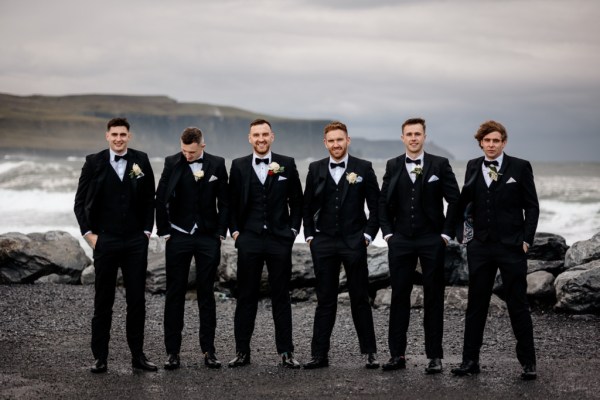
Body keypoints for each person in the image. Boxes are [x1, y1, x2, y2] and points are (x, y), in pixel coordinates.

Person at [451, 120, 539, 380]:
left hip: (512, 246)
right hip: (480, 246)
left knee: (518, 303)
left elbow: (531, 206)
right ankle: (470, 361)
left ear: (504, 142)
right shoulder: (472, 166)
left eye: (495, 141)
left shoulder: (520, 167)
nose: (491, 145)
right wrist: (462, 234)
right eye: (486, 141)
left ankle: (528, 362)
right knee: (476, 304)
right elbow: (464, 202)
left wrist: (526, 240)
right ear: (481, 143)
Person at [74, 117, 157, 373]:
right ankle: (100, 357)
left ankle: (138, 357)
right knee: (103, 301)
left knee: (137, 301)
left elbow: (148, 199)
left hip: (135, 241)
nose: (119, 139)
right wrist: (89, 234)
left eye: (123, 134)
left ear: (129, 136)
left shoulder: (141, 160)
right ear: (107, 136)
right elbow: (80, 202)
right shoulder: (93, 162)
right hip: (105, 240)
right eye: (115, 134)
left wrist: (145, 232)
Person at [378, 118, 460, 373]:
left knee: (434, 298)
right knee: (399, 297)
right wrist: (389, 234)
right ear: (402, 137)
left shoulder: (440, 164)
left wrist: (446, 235)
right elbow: (382, 203)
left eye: (417, 134)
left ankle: (435, 357)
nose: (413, 138)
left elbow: (455, 201)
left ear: (424, 136)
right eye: (409, 134)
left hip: (431, 239)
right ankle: (397, 355)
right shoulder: (393, 165)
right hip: (400, 240)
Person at [302, 121, 380, 369]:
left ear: (348, 140)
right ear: (325, 143)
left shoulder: (363, 168)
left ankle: (369, 352)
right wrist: (310, 236)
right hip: (323, 241)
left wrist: (367, 236)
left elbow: (376, 207)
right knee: (325, 299)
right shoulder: (315, 169)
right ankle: (319, 355)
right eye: (331, 141)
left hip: (353, 241)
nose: (336, 144)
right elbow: (306, 206)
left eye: (340, 139)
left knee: (360, 297)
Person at [227, 118, 303, 368]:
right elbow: (231, 203)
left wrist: (292, 231)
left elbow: (297, 202)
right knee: (246, 296)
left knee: (281, 296)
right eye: (256, 135)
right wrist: (236, 232)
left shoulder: (287, 164)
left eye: (265, 134)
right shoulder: (238, 166)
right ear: (249, 138)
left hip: (279, 240)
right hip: (248, 240)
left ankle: (286, 352)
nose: (260, 139)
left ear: (272, 137)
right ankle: (242, 352)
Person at [156, 127, 229, 370]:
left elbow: (225, 200)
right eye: (184, 151)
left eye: (192, 152)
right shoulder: (171, 162)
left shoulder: (217, 165)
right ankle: (172, 352)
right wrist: (164, 231)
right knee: (174, 294)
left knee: (206, 293)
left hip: (208, 237)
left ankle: (209, 351)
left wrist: (220, 232)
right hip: (178, 236)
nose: (187, 155)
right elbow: (160, 197)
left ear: (202, 147)